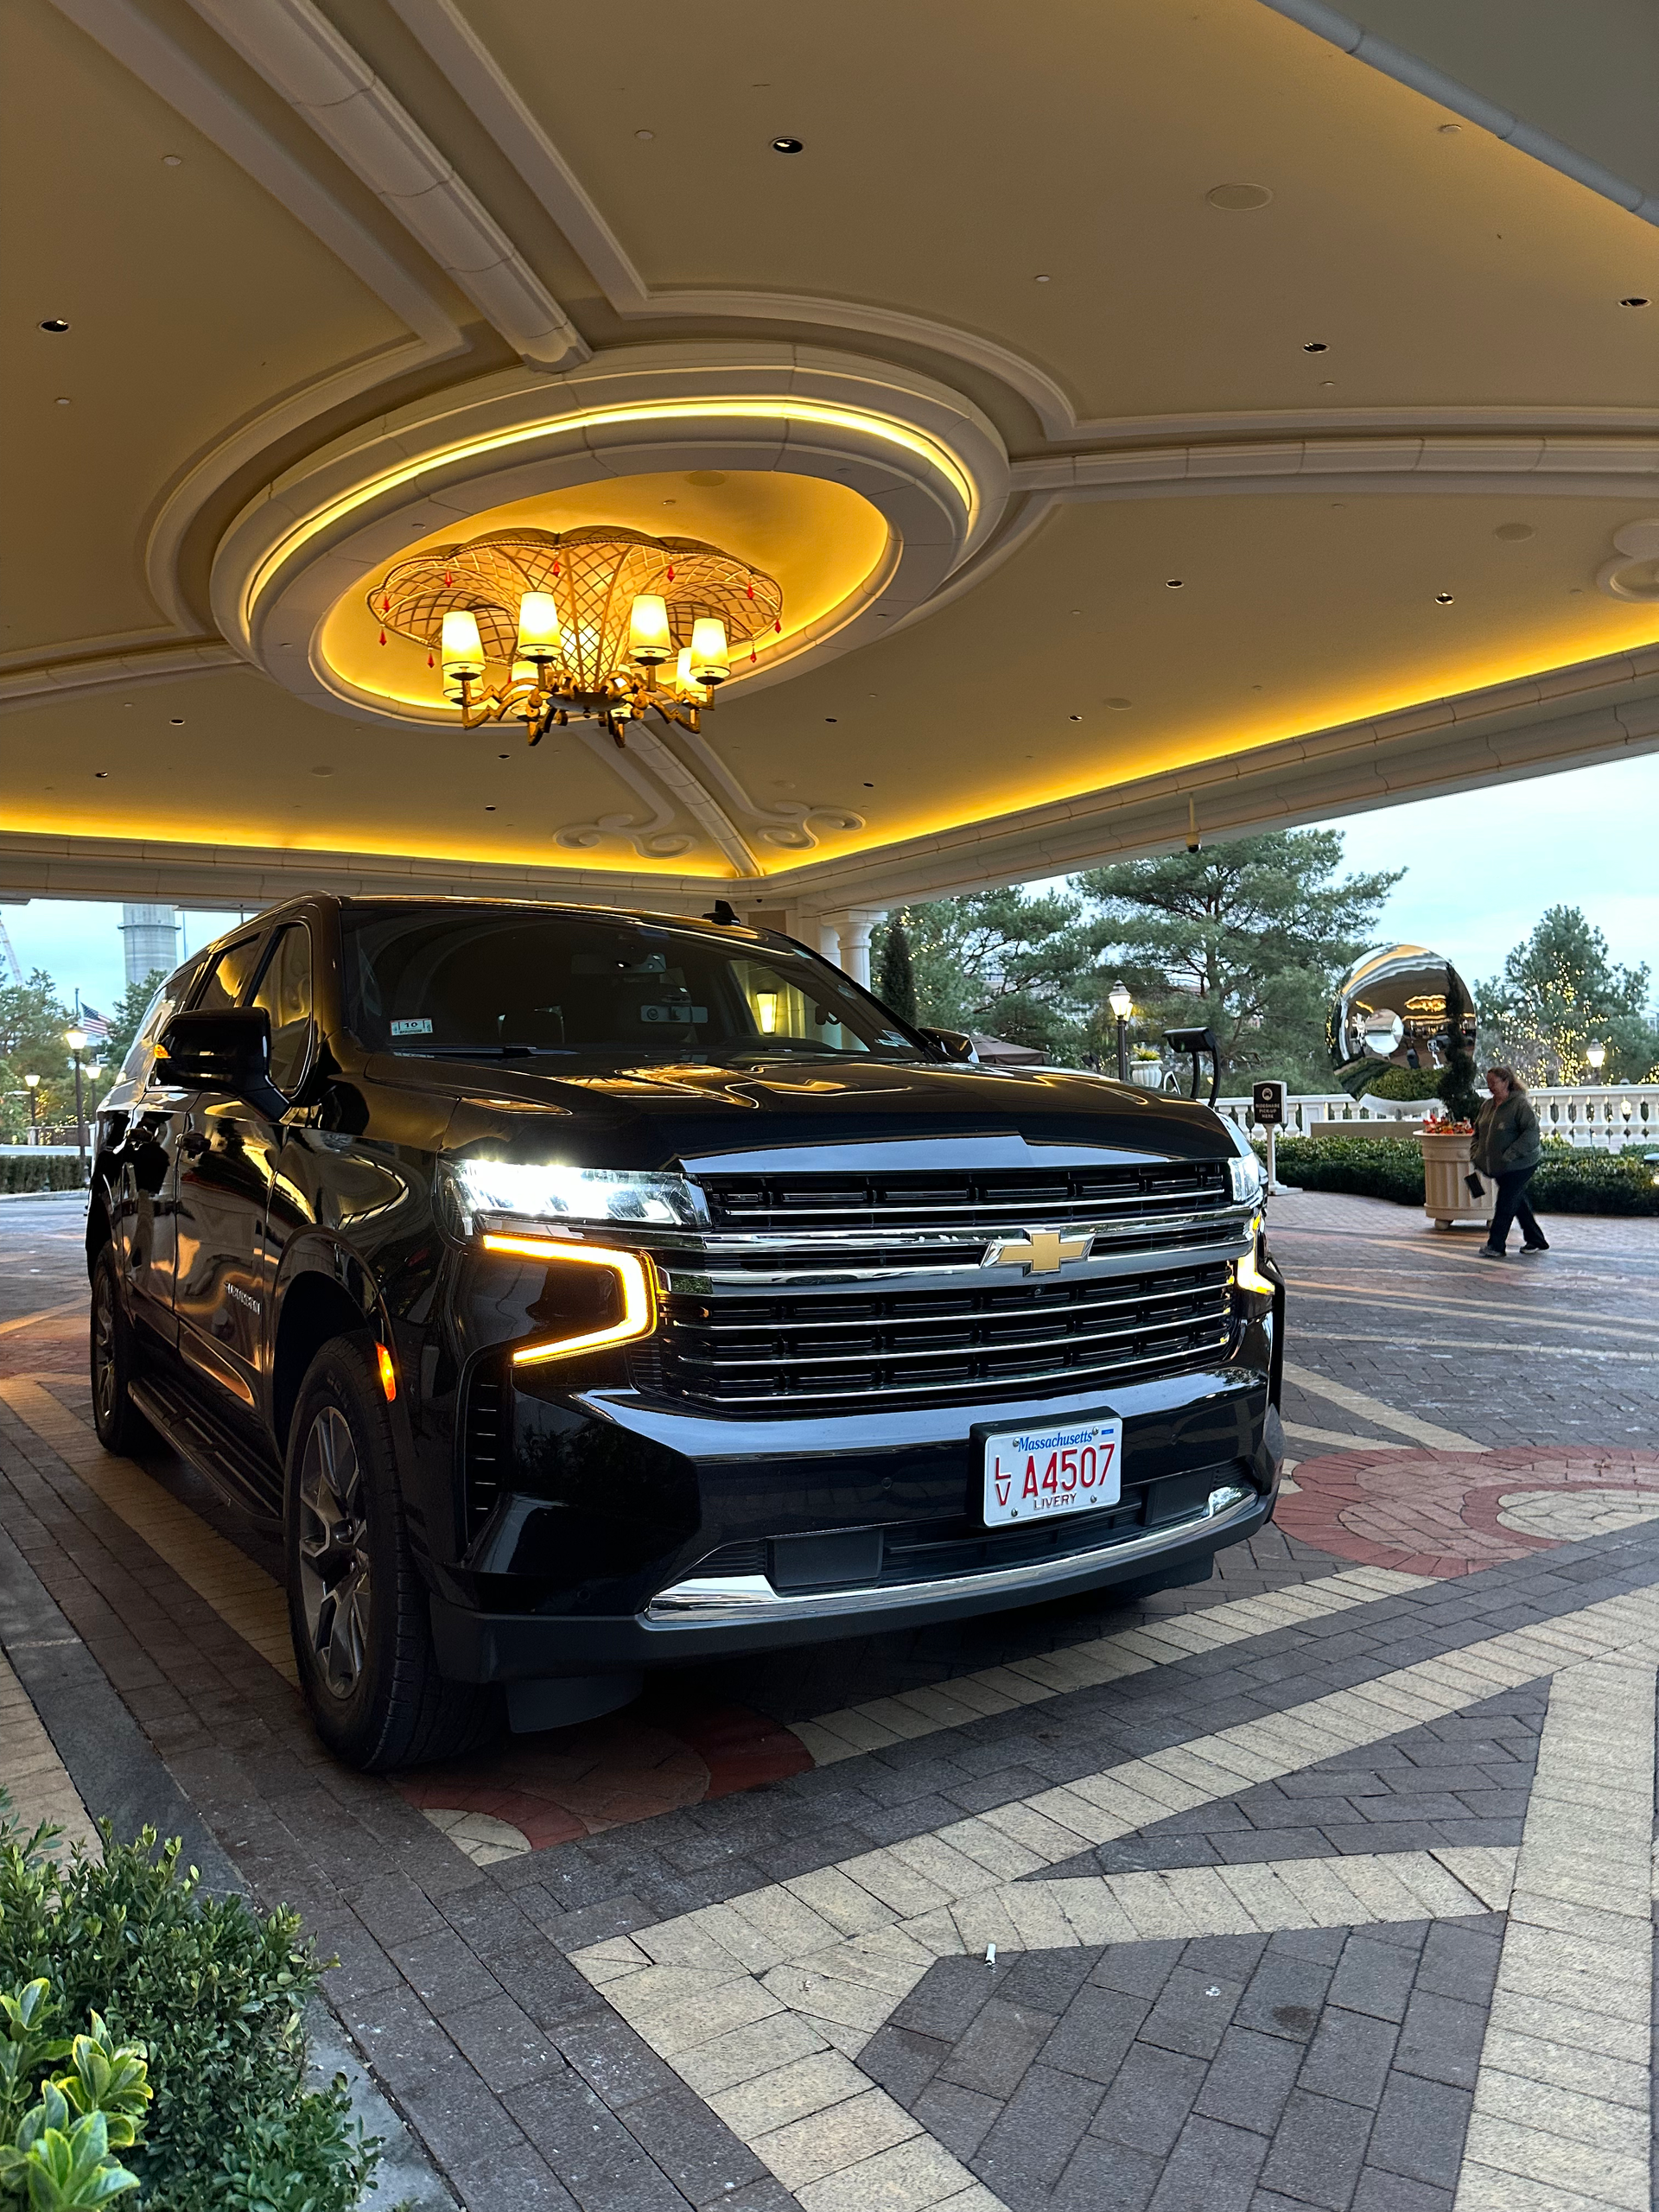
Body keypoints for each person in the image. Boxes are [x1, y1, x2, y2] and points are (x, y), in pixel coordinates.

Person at [1472, 1065, 1547, 1258]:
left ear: (1506, 1082)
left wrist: (1511, 1154)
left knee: (1505, 1203)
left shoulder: (1520, 1105)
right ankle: (1536, 1239)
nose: (1490, 1087)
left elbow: (1532, 1134)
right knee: (1517, 1201)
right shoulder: (1487, 1106)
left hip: (1521, 1164)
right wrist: (1476, 1153)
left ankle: (1496, 1245)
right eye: (1488, 1083)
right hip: (1499, 1166)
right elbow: (1478, 1133)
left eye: (1494, 1083)